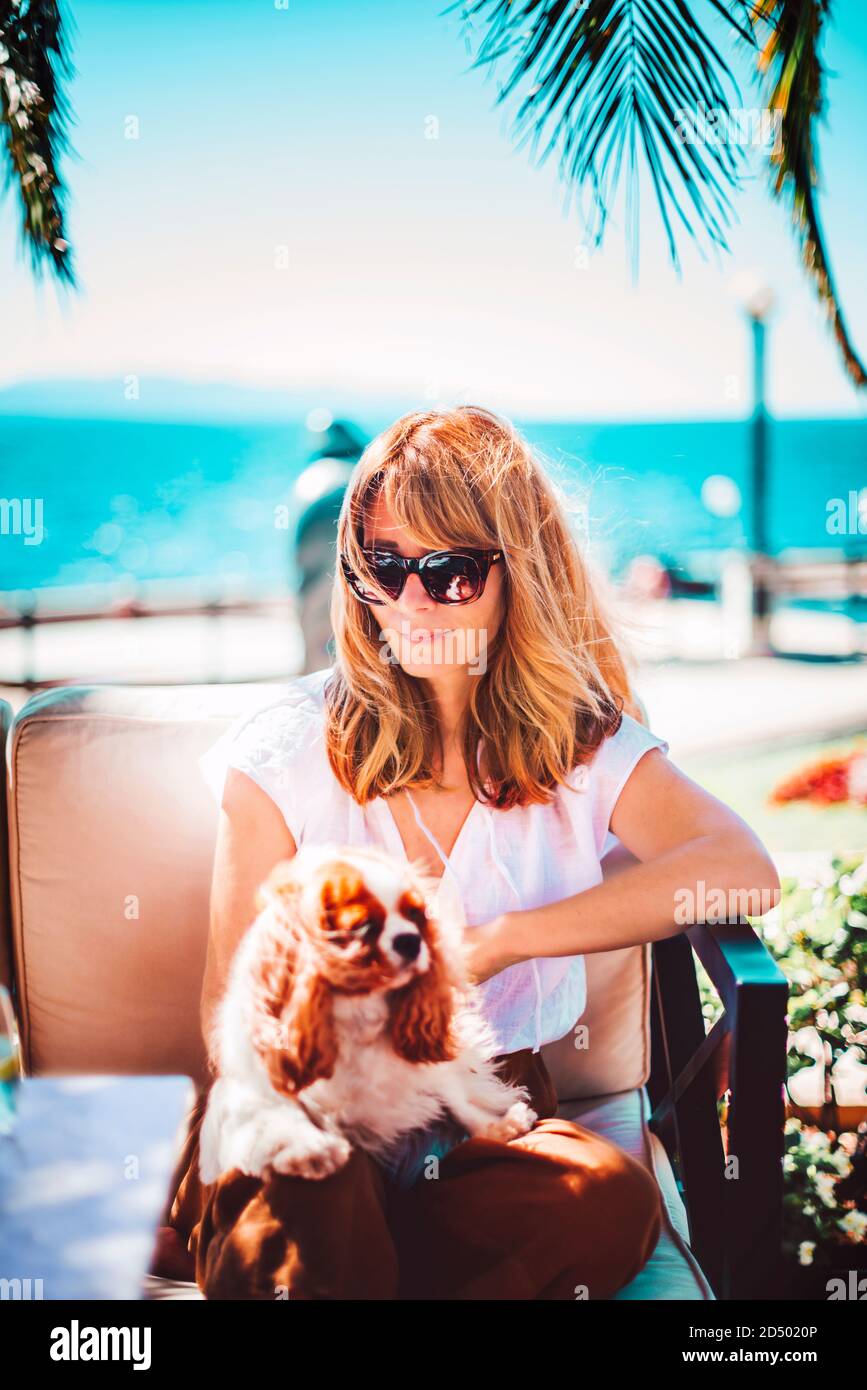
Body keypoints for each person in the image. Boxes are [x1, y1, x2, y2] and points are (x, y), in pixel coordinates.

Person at [159, 404, 780, 1300]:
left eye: (448, 572)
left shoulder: (581, 747)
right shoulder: (286, 748)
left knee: (606, 1199)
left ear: (516, 572)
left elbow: (739, 869)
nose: (409, 602)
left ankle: (358, 1262)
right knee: (317, 1200)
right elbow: (237, 1013)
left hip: (478, 1108)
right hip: (307, 1103)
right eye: (383, 566)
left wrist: (502, 940)